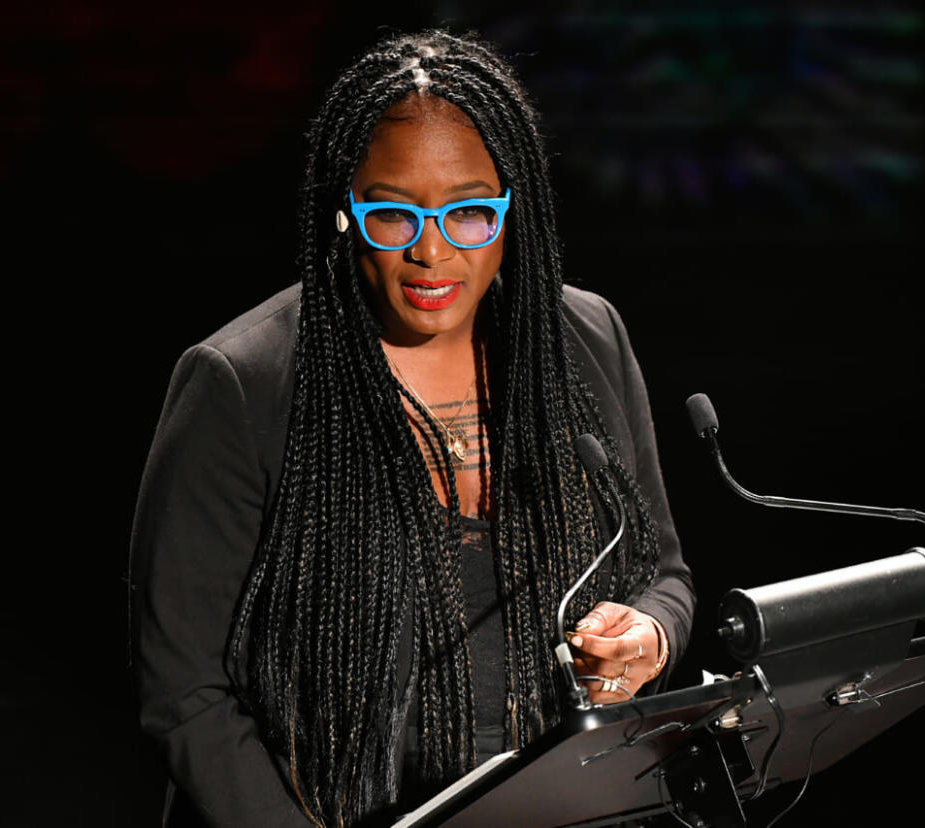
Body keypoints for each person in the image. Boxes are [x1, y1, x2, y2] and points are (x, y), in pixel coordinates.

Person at [129, 30, 695, 828]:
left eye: (469, 212)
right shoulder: (243, 383)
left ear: (512, 207)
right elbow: (184, 694)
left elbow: (662, 572)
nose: (432, 253)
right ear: (345, 210)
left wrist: (650, 638)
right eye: (393, 215)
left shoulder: (584, 341)